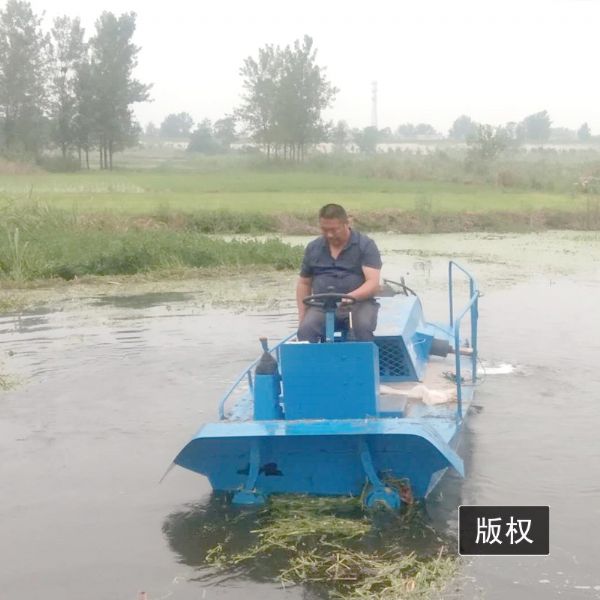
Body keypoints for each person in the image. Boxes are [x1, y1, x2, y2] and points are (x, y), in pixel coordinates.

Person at [296, 203, 382, 342]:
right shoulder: (313, 248)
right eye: (324, 230)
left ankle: (363, 355)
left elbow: (373, 283)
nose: (329, 235)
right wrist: (302, 315)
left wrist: (351, 296)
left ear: (346, 224)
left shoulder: (365, 245)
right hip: (322, 306)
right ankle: (314, 356)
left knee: (362, 327)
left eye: (334, 230)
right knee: (306, 329)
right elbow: (304, 283)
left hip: (358, 304)